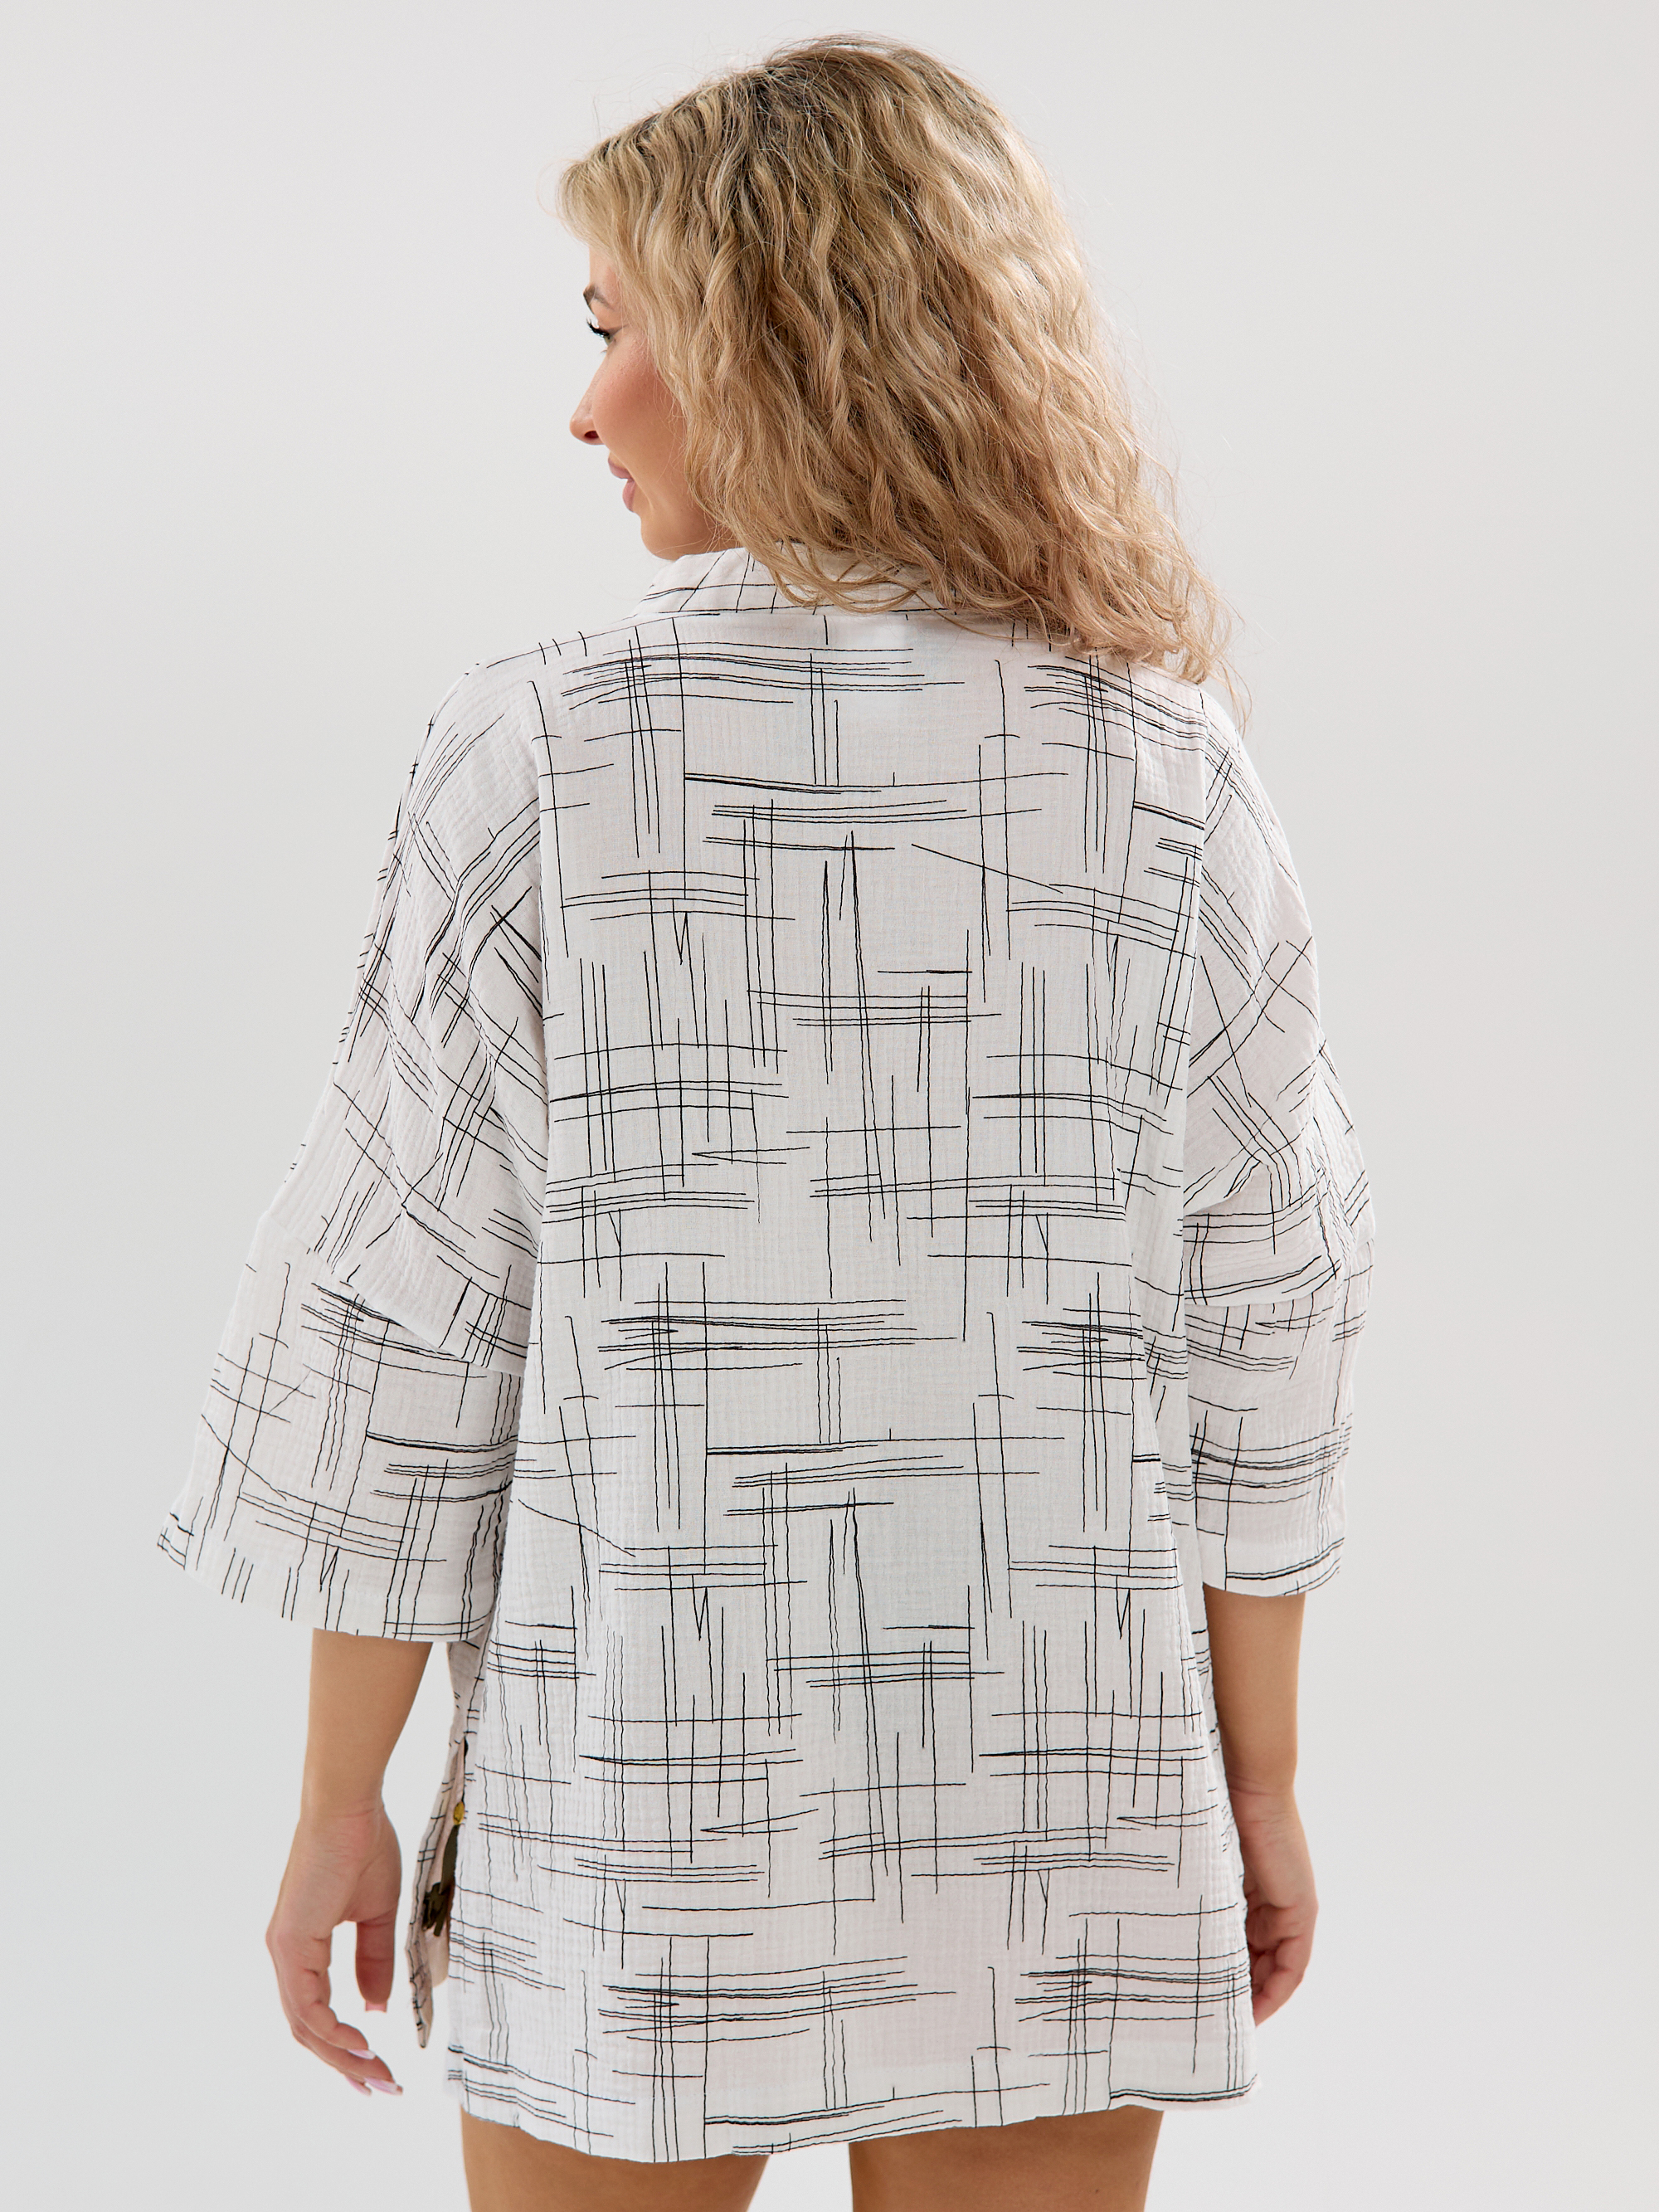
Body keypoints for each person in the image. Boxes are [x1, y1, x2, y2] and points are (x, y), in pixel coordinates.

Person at [157, 33, 1378, 2212]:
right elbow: (1270, 1317)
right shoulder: (1171, 771)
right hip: (1057, 1799)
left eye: (614, 332)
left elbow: (402, 1320)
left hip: (639, 1794)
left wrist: (341, 1793)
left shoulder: (545, 757)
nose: (586, 408)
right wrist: (1259, 1774)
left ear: (775, 343)